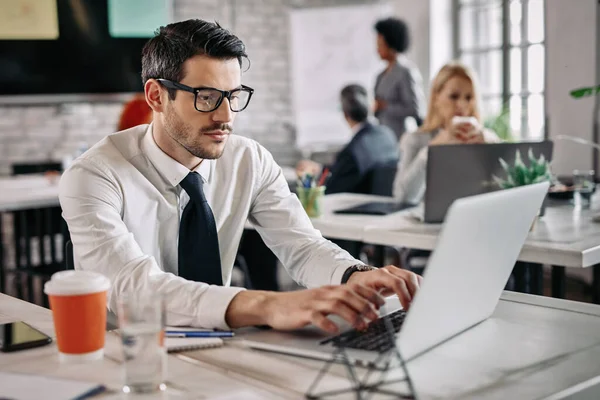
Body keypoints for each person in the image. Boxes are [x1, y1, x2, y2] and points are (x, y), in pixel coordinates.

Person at [59, 19, 421, 334]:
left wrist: (354, 275)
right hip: (130, 358)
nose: (226, 116)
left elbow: (302, 245)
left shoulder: (250, 159)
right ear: (157, 95)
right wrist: (267, 305)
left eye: (234, 96)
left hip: (225, 344)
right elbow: (130, 287)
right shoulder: (94, 175)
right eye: (206, 97)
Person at [392, 61, 500, 205]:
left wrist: (490, 145)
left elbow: (503, 191)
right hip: (428, 225)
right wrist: (432, 150)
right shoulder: (415, 139)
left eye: (468, 98)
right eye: (454, 96)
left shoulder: (485, 138)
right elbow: (401, 198)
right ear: (436, 97)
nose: (462, 105)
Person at [296, 84, 398, 195]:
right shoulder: (388, 135)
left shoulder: (352, 152)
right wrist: (321, 170)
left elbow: (330, 189)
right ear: (372, 107)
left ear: (345, 114)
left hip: (352, 205)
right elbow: (347, 172)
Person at [373, 18, 426, 140]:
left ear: (391, 44)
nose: (377, 49)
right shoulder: (381, 75)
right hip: (385, 137)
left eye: (380, 44)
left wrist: (385, 106)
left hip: (403, 137)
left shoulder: (406, 72)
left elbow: (415, 109)